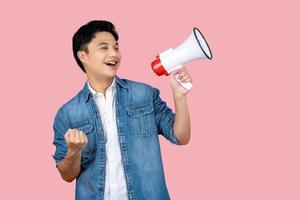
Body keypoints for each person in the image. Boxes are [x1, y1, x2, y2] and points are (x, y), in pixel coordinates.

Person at [52, 20, 192, 200]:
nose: (114, 54)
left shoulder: (144, 94)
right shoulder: (67, 113)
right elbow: (67, 175)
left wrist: (179, 96)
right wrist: (73, 151)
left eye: (116, 47)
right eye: (104, 48)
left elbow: (181, 137)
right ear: (83, 56)